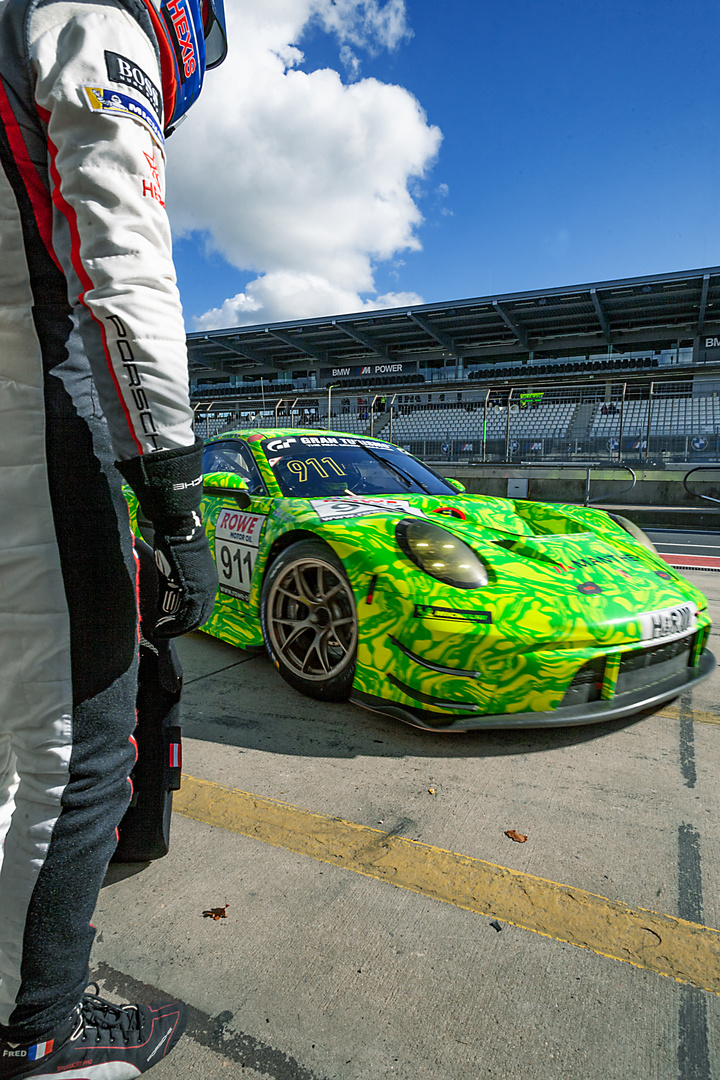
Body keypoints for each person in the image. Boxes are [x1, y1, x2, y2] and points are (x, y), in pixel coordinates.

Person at [0, 0, 226, 1073]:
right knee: (81, 743)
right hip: (23, 404)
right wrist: (177, 507)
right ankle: (43, 1028)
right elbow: (121, 261)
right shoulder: (99, 15)